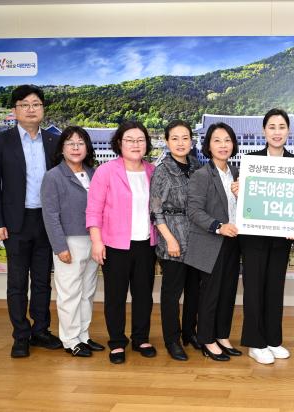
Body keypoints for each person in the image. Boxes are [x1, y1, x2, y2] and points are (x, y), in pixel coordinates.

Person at [0, 85, 62, 357]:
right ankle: (21, 335)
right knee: (17, 283)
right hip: (15, 222)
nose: (31, 109)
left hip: (45, 220)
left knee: (42, 281)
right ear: (15, 110)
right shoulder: (1, 141)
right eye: (25, 104)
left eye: (36, 104)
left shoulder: (54, 141)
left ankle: (41, 330)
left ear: (43, 109)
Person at [86, 121, 157, 364]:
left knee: (143, 295)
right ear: (119, 143)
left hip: (146, 243)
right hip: (115, 245)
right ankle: (117, 342)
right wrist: (97, 241)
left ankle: (141, 338)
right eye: (129, 140)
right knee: (115, 296)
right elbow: (93, 210)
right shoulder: (106, 171)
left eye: (140, 140)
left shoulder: (152, 171)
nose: (135, 144)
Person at [235, 109, 294, 364]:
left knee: (275, 288)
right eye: (272, 127)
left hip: (282, 238)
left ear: (288, 131)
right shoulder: (251, 161)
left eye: (281, 127)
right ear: (264, 131)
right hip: (254, 237)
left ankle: (273, 339)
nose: (277, 132)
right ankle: (255, 342)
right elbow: (243, 199)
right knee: (254, 289)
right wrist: (238, 191)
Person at [41, 126, 104, 357]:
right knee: (69, 293)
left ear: (87, 148)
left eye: (80, 143)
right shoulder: (53, 176)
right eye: (70, 143)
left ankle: (83, 336)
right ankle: (70, 340)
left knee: (87, 292)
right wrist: (60, 247)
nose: (76, 148)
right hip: (69, 242)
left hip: (94, 240)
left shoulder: (94, 173)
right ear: (62, 148)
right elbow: (50, 215)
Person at [184, 122, 241, 362]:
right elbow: (194, 211)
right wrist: (219, 226)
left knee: (228, 291)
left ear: (233, 144)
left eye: (227, 140)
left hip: (234, 241)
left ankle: (222, 335)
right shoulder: (202, 175)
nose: (223, 145)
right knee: (210, 294)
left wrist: (242, 194)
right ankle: (207, 339)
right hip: (212, 241)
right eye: (217, 140)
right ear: (208, 145)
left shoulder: (238, 172)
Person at [149, 120, 202, 361]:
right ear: (167, 141)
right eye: (175, 138)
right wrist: (169, 239)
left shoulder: (196, 165)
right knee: (172, 294)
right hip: (173, 237)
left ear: (191, 140)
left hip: (196, 237)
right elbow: (155, 210)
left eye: (185, 138)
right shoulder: (162, 170)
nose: (181, 143)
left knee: (194, 292)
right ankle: (172, 339)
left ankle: (190, 332)